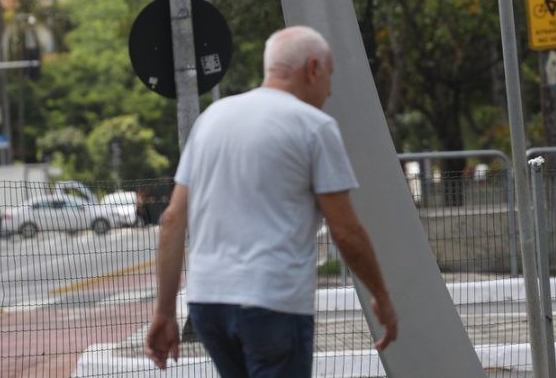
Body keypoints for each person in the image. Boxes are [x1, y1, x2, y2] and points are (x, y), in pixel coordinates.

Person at [145, 25, 398, 376]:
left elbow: (172, 219)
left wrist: (164, 312)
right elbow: (346, 231)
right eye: (329, 76)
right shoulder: (314, 126)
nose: (329, 90)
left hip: (208, 303)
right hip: (272, 302)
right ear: (312, 69)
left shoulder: (210, 120)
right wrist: (382, 297)